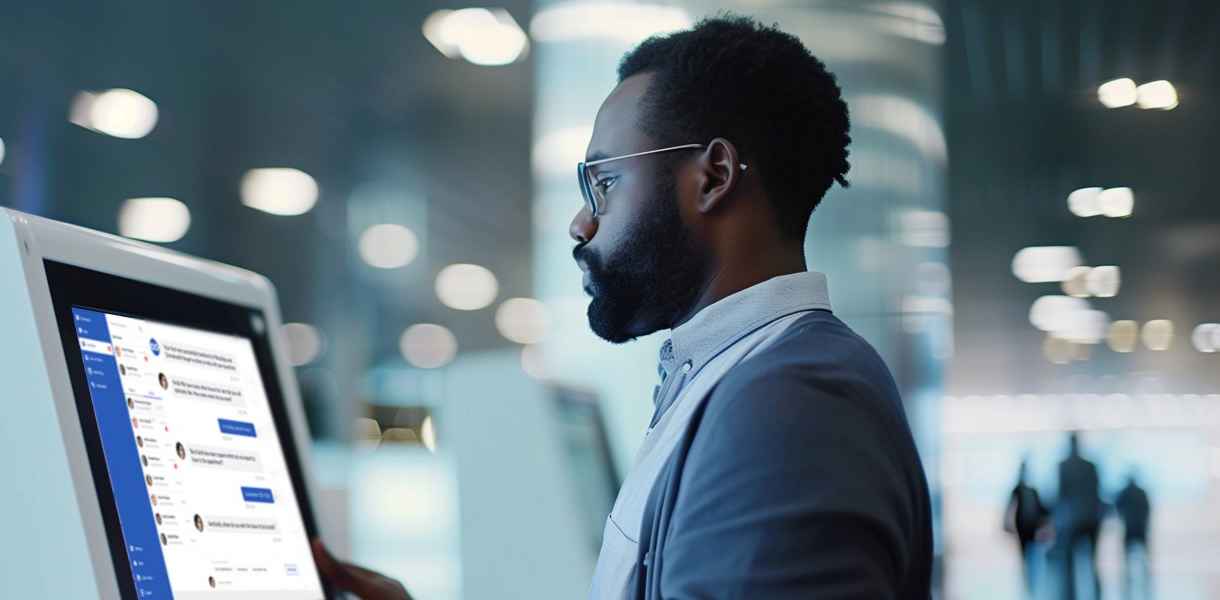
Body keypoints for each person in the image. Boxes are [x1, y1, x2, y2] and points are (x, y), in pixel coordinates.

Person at [311, 14, 932, 599]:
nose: (581, 224)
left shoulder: (793, 405)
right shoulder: (739, 377)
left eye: (604, 183)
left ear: (714, 176)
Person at [1055, 432, 1103, 599]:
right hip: (1092, 519)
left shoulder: (1064, 466)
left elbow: (1061, 496)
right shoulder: (1090, 466)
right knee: (1093, 562)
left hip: (1074, 521)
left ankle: (1070, 595)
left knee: (1068, 563)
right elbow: (1097, 493)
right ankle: (1097, 594)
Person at [1005, 460, 1052, 595]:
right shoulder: (1017, 490)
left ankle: (1033, 582)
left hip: (1032, 528)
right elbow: (1010, 508)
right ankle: (1027, 584)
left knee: (1034, 556)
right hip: (1022, 528)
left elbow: (1042, 509)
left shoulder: (1033, 491)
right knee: (1025, 556)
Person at [1114, 470, 1151, 597]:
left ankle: (1129, 576)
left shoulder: (1124, 492)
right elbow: (1148, 510)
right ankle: (1144, 573)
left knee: (1127, 554)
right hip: (1140, 527)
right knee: (1143, 554)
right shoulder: (1142, 492)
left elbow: (1117, 506)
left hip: (1130, 527)